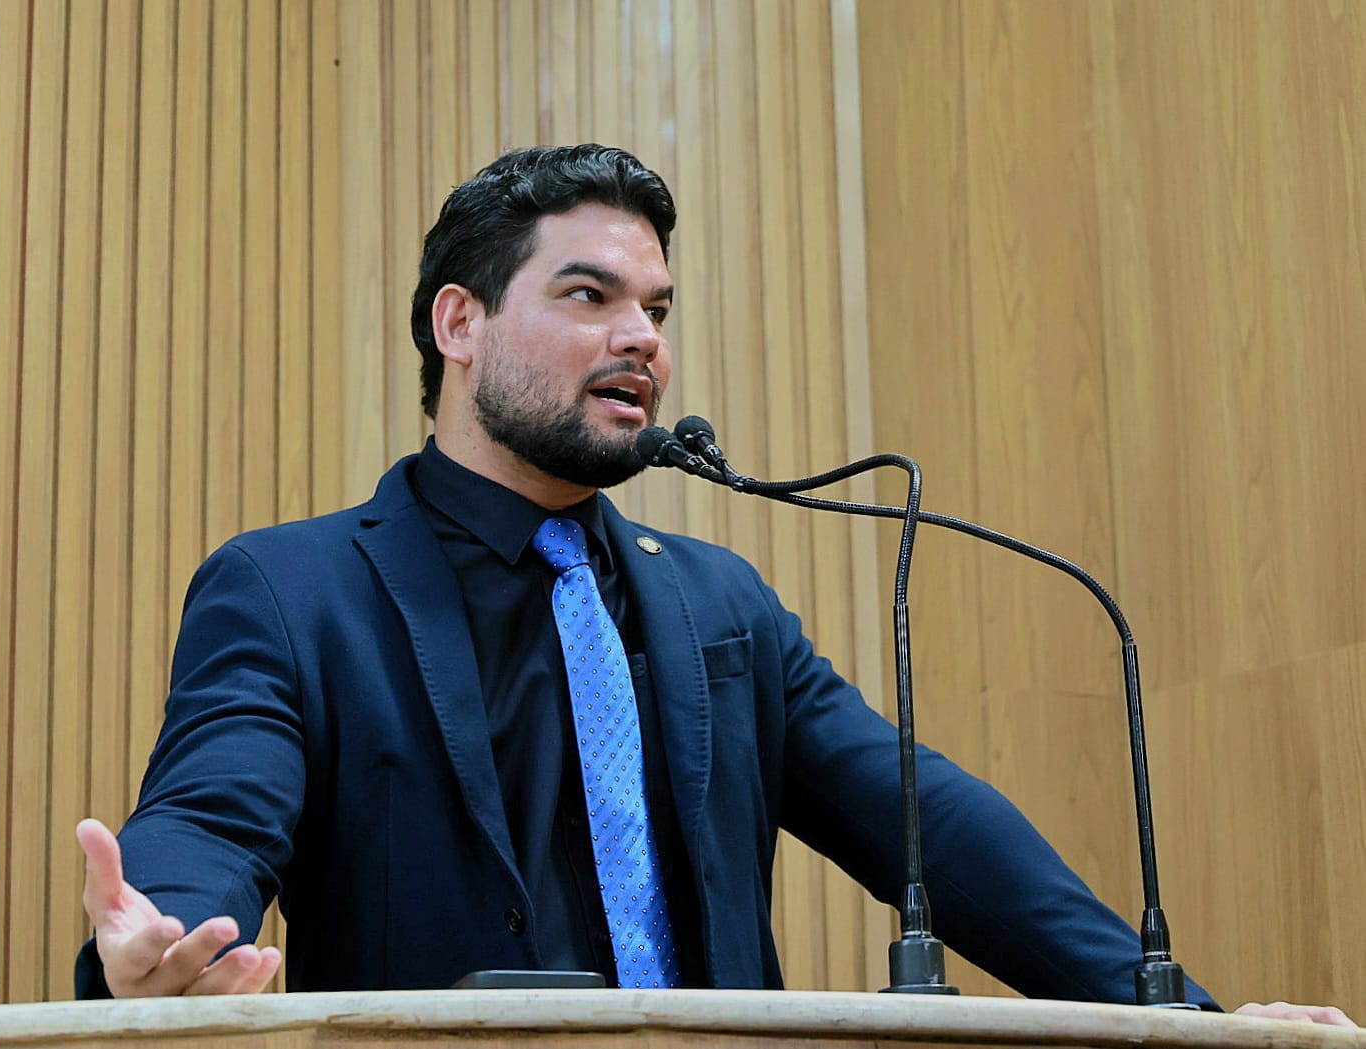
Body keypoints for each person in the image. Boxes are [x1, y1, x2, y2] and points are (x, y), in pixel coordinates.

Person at [75, 144, 1352, 1025]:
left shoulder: (718, 604)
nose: (641, 336)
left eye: (656, 306)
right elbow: (214, 810)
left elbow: (932, 828)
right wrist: (164, 935)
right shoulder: (294, 588)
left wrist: (1177, 1015)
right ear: (459, 324)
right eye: (590, 294)